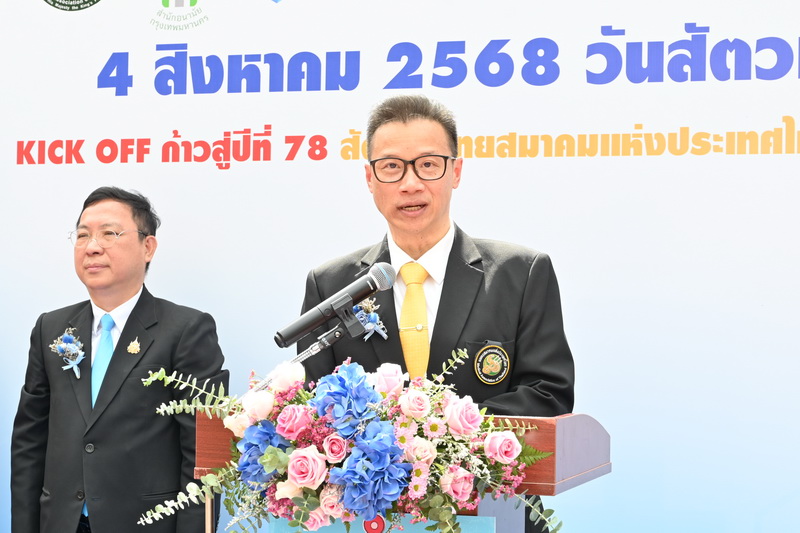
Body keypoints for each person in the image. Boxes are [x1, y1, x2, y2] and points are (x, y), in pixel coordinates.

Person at [297, 95, 575, 532]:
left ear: (456, 171)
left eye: (428, 164)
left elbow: (549, 394)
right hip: (371, 518)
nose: (410, 184)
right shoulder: (332, 284)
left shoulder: (520, 274)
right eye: (392, 167)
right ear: (369, 178)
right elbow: (312, 410)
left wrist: (435, 435)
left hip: (492, 513)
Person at [11, 187, 228, 533]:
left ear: (148, 247)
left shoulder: (188, 330)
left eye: (109, 233)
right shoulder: (51, 328)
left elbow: (207, 456)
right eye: (83, 235)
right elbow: (29, 443)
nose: (92, 247)